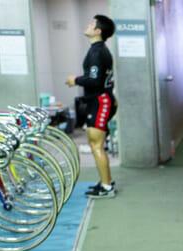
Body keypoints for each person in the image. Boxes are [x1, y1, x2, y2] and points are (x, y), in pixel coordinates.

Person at [66, 14, 117, 198]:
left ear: (98, 31)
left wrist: (75, 80)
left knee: (96, 145)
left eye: (91, 24)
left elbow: (94, 80)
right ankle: (105, 181)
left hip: (100, 101)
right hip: (99, 101)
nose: (87, 25)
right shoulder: (99, 50)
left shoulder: (97, 52)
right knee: (96, 143)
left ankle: (106, 187)